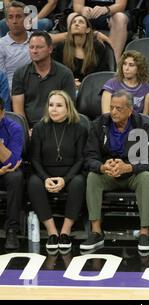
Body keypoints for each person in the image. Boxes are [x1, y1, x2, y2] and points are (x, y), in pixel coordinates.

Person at [81, 90, 149, 251]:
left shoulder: (144, 125)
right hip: (109, 173)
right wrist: (102, 167)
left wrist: (128, 167)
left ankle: (144, 232)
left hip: (132, 174)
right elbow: (89, 156)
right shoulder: (99, 124)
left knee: (146, 178)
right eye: (112, 107)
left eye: (119, 108)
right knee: (93, 177)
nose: (113, 112)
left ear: (130, 110)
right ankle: (96, 232)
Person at [28, 90, 88, 250]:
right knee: (33, 182)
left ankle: (65, 232)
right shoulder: (40, 127)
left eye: (59, 105)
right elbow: (34, 159)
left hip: (70, 173)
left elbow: (81, 159)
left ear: (68, 108)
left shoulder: (79, 128)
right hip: (45, 173)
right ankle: (52, 232)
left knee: (79, 182)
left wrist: (65, 179)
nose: (53, 109)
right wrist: (45, 178)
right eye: (51, 105)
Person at [11, 30, 76, 128]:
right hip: (29, 128)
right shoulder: (19, 74)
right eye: (31, 47)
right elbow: (18, 109)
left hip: (57, 127)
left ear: (50, 49)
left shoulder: (65, 74)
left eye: (39, 47)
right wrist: (26, 130)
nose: (34, 51)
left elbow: (68, 107)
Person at [52, 14, 115, 91]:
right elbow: (57, 71)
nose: (76, 23)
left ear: (87, 30)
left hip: (92, 88)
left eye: (81, 22)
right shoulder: (62, 46)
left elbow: (102, 73)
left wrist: (84, 85)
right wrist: (70, 82)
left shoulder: (97, 47)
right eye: (74, 22)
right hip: (67, 87)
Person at [0, 97, 24, 249]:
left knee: (16, 176)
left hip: (7, 173)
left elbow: (13, 163)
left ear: (2, 114)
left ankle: (12, 230)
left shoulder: (14, 127)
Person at [101, 50, 149, 115]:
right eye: (124, 64)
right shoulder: (111, 84)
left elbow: (147, 119)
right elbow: (106, 115)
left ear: (139, 68)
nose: (126, 68)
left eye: (131, 65)